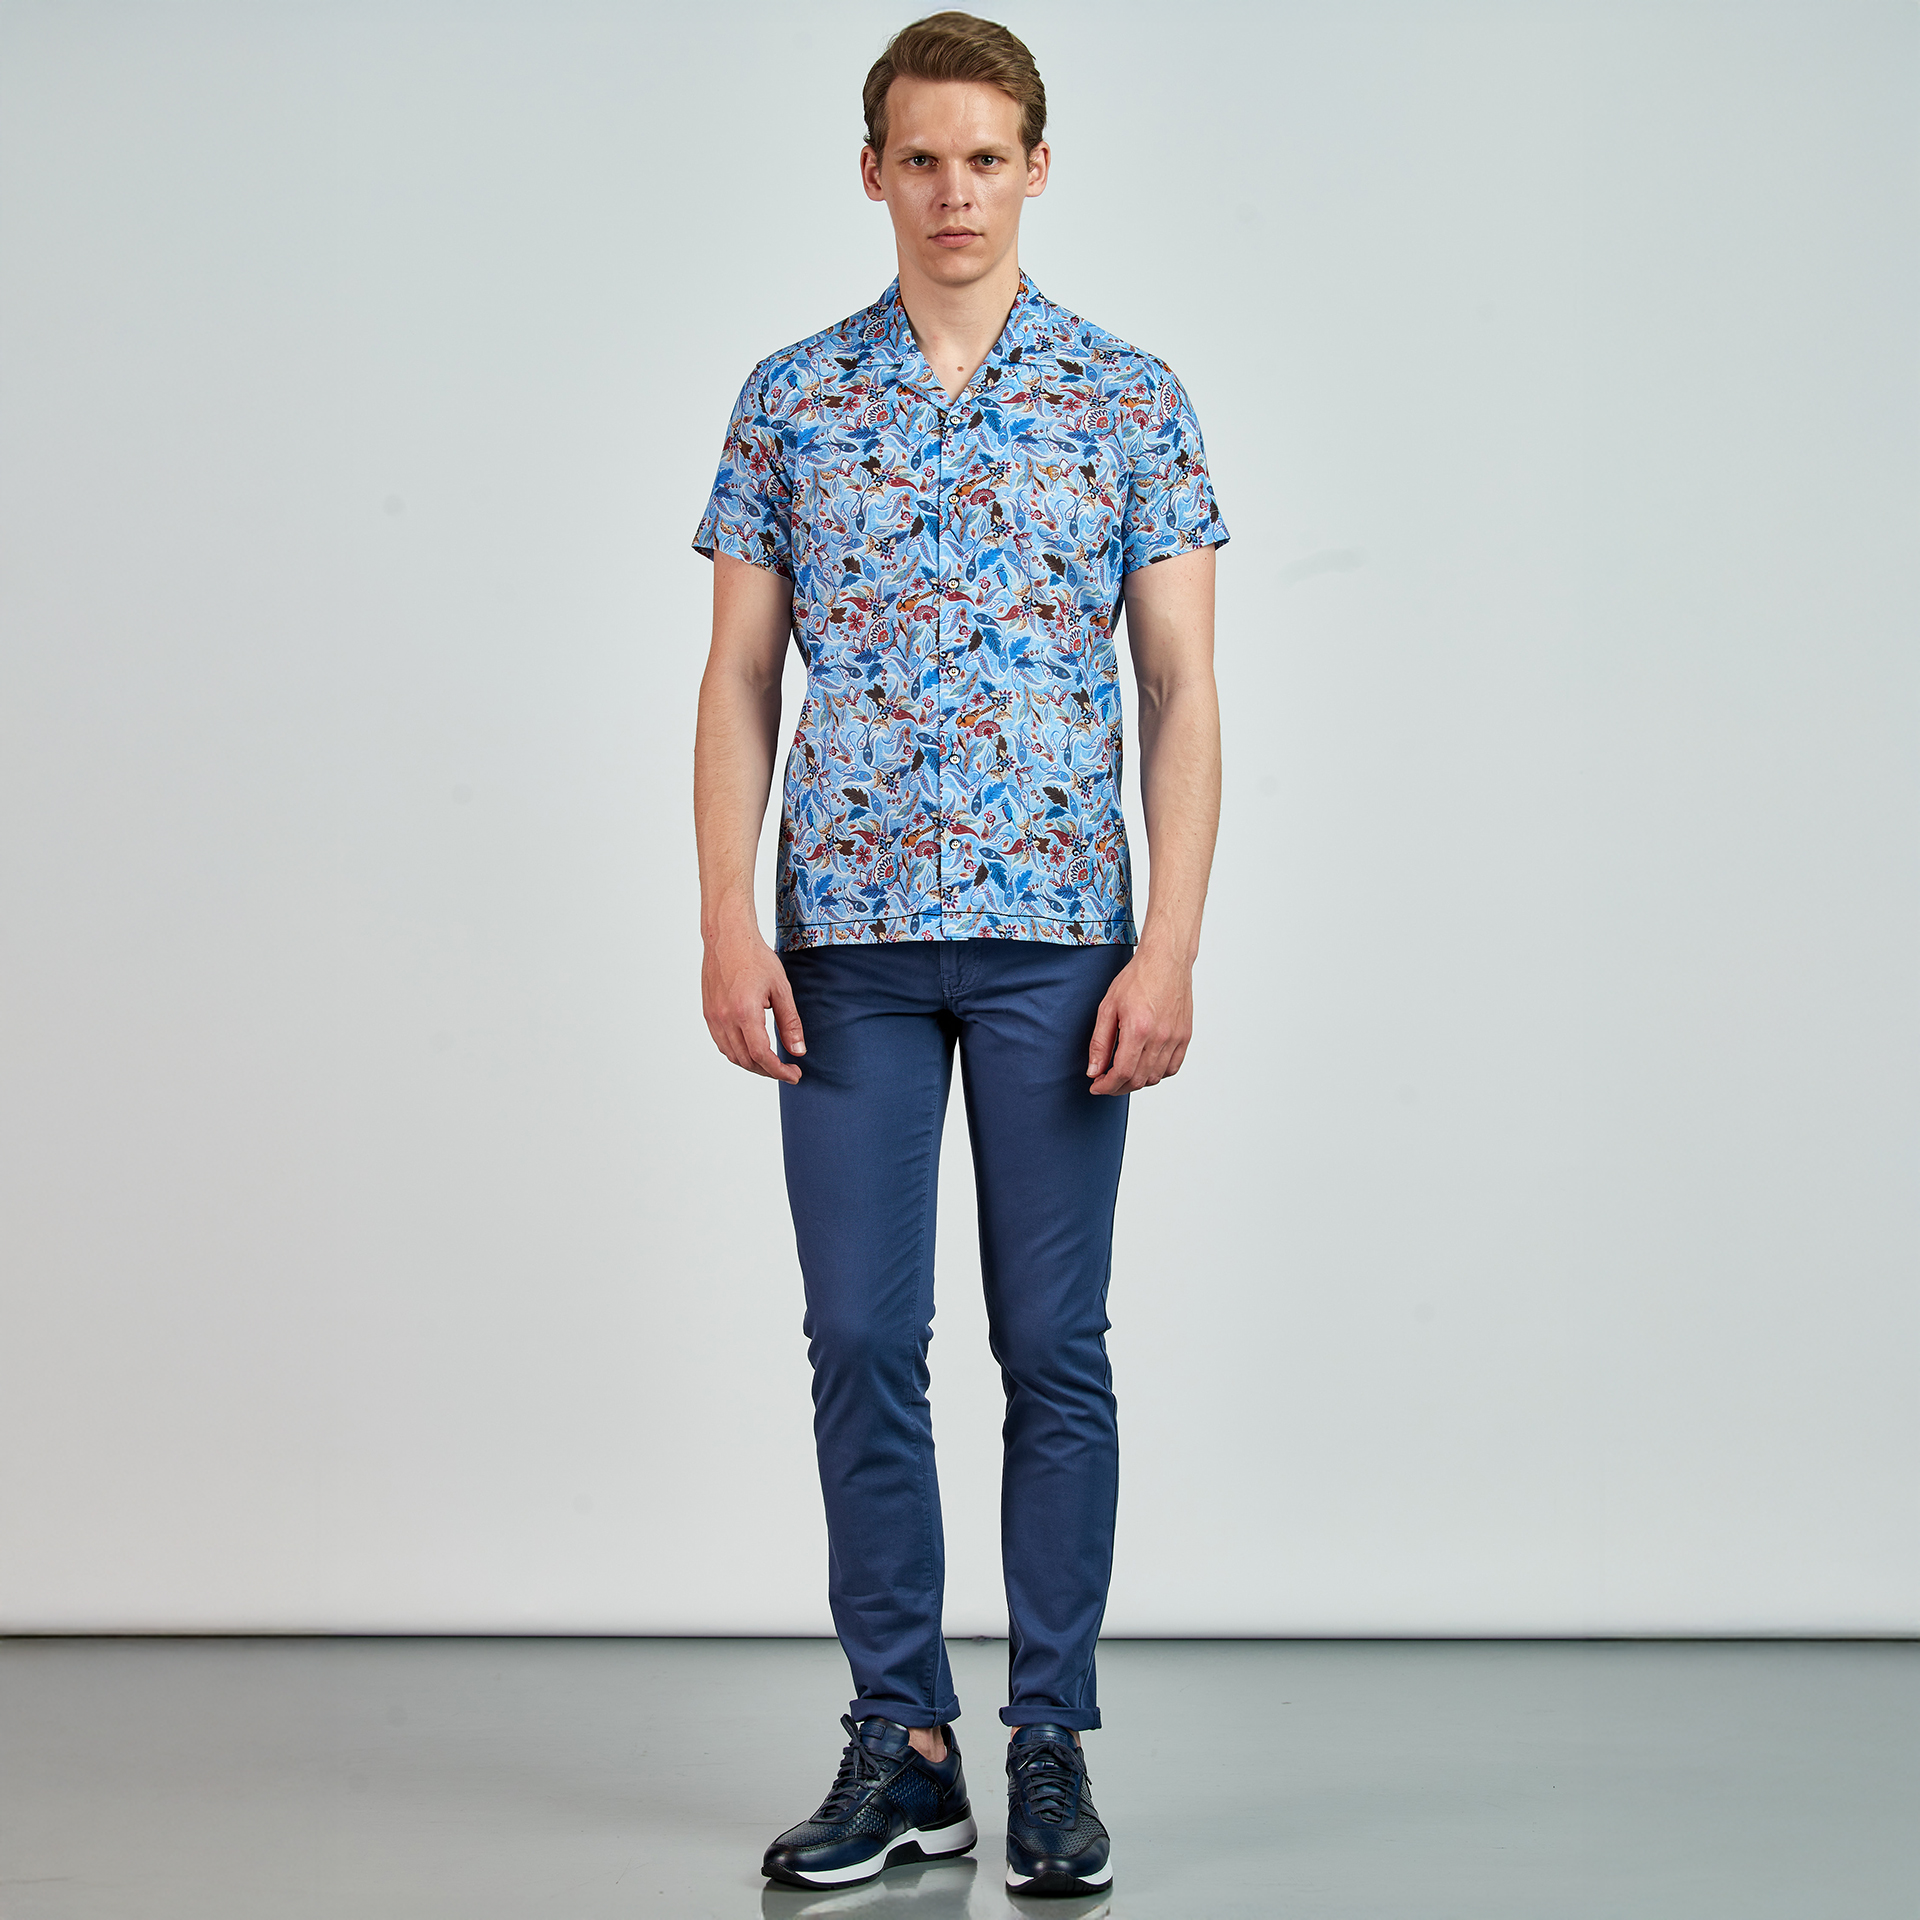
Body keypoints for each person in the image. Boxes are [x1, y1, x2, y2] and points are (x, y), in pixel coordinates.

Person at [691, 10, 1225, 1897]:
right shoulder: (792, 398)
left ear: (1036, 169)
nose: (954, 193)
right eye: (920, 159)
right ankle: (902, 1743)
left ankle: (1050, 1741)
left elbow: (1181, 690)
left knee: (1051, 1345)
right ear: (873, 173)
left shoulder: (1127, 398)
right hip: (843, 942)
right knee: (859, 1336)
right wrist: (726, 914)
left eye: (985, 158)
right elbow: (740, 679)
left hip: (1060, 940)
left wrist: (1168, 945)